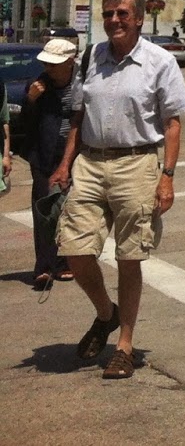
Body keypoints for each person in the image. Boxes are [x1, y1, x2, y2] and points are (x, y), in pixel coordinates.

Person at [50, 0, 185, 380]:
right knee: (74, 250)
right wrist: (65, 163)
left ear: (139, 18)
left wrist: (167, 178)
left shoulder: (160, 61)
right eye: (109, 13)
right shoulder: (91, 57)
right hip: (90, 163)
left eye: (122, 13)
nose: (114, 20)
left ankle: (124, 347)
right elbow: (78, 116)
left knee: (130, 257)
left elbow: (172, 124)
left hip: (137, 163)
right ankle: (105, 313)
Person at [23, 38, 81, 287]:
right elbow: (25, 125)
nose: (48, 68)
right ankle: (44, 267)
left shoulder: (83, 83)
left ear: (70, 62)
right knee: (45, 211)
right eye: (46, 64)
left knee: (72, 210)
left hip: (78, 155)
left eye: (54, 64)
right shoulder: (38, 86)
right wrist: (31, 101)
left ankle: (65, 262)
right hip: (44, 155)